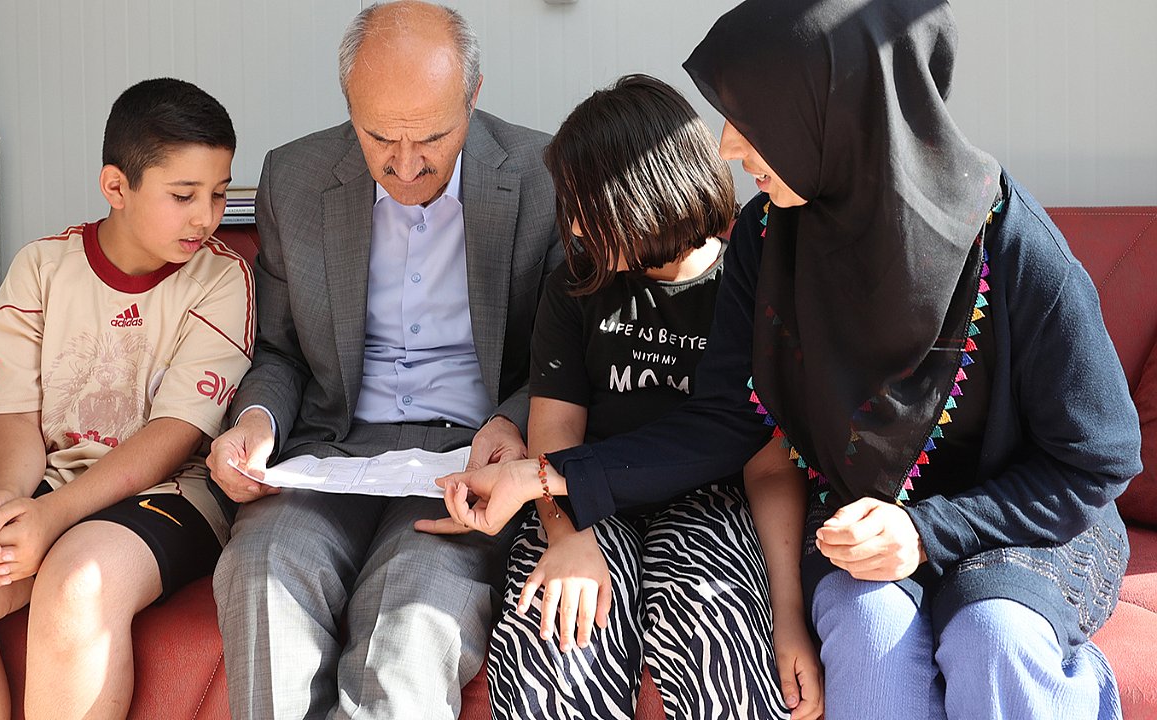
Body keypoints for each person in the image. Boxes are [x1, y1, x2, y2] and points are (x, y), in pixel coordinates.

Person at [434, 2, 1141, 719]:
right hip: (861, 527)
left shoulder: (1015, 246)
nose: (726, 148)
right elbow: (728, 420)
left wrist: (926, 532)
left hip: (1020, 524)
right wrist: (542, 477)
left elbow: (1097, 462)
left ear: (835, 115)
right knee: (868, 636)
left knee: (995, 637)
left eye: (751, 119)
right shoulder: (767, 238)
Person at [204, 2, 560, 718]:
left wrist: (511, 423)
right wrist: (256, 423)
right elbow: (280, 352)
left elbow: (562, 360)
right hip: (329, 453)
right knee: (260, 570)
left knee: (406, 637)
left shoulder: (543, 176)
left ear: (473, 95)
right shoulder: (293, 177)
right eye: (378, 138)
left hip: (467, 461)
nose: (405, 165)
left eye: (431, 137)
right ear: (349, 105)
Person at [431, 74, 820, 720]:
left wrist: (788, 615)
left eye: (589, 207)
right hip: (584, 499)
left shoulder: (744, 284)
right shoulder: (576, 286)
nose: (574, 226)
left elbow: (769, 464)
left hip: (710, 507)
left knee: (718, 640)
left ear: (645, 194)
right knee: (553, 643)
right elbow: (555, 435)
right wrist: (565, 534)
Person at [0, 77, 252, 719]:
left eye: (219, 193)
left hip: (171, 490)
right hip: (47, 478)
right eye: (183, 195)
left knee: (79, 581)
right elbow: (12, 413)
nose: (206, 216)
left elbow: (174, 433)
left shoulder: (223, 278)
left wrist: (51, 519)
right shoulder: (41, 266)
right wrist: (8, 501)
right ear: (116, 186)